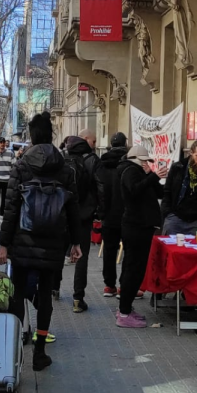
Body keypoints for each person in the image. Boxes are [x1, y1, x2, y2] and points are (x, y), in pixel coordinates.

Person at [0, 112, 83, 371]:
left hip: (22, 240)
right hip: (53, 241)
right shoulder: (65, 167)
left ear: (32, 136)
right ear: (51, 134)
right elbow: (73, 209)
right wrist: (76, 243)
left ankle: (14, 350)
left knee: (18, 293)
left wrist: (3, 243)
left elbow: (11, 208)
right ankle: (40, 352)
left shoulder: (21, 166)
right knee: (45, 295)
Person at [116, 144, 166, 328]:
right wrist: (152, 176)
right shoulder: (129, 171)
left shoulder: (139, 173)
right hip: (136, 227)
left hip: (142, 227)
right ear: (138, 160)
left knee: (135, 269)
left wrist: (155, 177)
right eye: (145, 161)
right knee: (133, 269)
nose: (147, 165)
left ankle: (126, 307)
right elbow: (134, 190)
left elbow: (157, 192)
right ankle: (124, 311)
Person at [62, 129, 102, 313]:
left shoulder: (62, 159)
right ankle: (78, 299)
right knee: (82, 255)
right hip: (83, 215)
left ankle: (54, 287)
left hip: (62, 214)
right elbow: (99, 186)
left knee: (59, 251)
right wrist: (97, 209)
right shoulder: (91, 160)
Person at [97, 132, 129, 298]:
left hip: (108, 214)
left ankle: (109, 285)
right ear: (125, 144)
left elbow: (99, 188)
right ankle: (124, 285)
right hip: (127, 213)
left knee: (109, 251)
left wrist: (100, 211)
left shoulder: (102, 163)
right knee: (129, 251)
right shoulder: (129, 163)